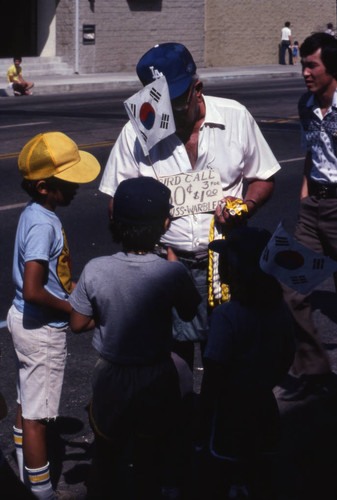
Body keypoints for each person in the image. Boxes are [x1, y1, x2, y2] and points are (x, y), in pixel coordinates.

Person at [99, 42, 281, 369]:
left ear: (197, 89)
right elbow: (116, 202)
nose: (167, 114)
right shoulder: (137, 130)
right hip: (164, 266)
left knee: (226, 362)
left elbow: (263, 176)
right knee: (169, 365)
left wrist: (246, 205)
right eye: (159, 103)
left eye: (176, 103)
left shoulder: (235, 116)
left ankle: (215, 416)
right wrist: (148, 223)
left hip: (226, 266)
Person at [69, 176, 201, 499]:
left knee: (105, 456)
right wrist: (173, 267)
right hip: (156, 374)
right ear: (165, 224)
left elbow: (77, 322)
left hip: (111, 376)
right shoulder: (171, 272)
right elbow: (188, 312)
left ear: (114, 221)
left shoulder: (96, 269)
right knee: (149, 458)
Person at [6, 131, 101, 499]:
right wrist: (74, 308)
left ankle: (24, 469)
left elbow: (46, 276)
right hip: (42, 330)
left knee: (25, 402)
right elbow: (33, 288)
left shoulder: (36, 213)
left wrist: (70, 287)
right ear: (45, 186)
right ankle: (41, 491)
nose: (77, 188)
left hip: (23, 320)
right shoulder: (45, 223)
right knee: (38, 419)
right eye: (69, 181)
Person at [195, 227, 295, 500]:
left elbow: (214, 371)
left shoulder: (227, 315)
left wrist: (203, 418)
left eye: (225, 260)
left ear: (238, 269)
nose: (221, 265)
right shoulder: (280, 309)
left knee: (226, 472)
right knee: (261, 471)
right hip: (264, 404)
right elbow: (288, 353)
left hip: (231, 409)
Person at [280, 32, 337, 400]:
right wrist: (304, 193)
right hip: (313, 205)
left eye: (311, 65)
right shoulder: (305, 105)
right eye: (303, 65)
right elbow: (312, 153)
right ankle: (314, 372)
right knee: (288, 286)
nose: (305, 72)